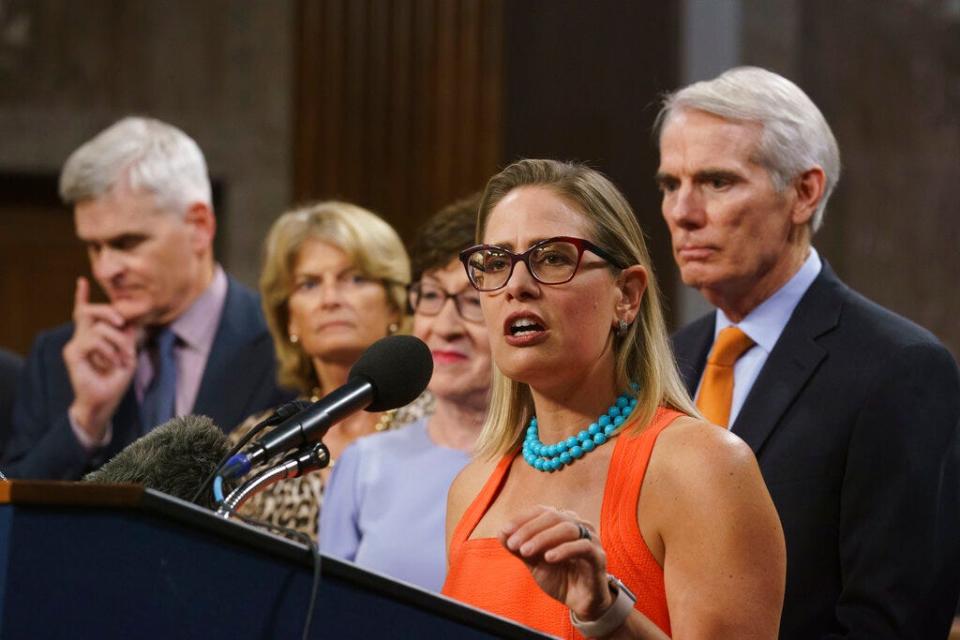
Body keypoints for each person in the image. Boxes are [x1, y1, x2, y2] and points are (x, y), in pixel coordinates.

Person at [658, 66, 960, 640]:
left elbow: (892, 623)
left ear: (804, 192)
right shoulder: (668, 361)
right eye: (671, 184)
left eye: (717, 182)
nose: (682, 212)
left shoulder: (899, 369)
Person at [442, 159, 785, 639]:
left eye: (553, 258)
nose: (517, 285)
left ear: (626, 295)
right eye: (496, 263)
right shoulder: (471, 489)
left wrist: (605, 613)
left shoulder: (702, 467)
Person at [2, 117, 292, 480]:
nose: (106, 269)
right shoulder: (55, 359)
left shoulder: (285, 341)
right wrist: (86, 421)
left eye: (127, 243)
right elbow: (13, 520)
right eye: (94, 247)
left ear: (200, 226)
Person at [320, 194, 491, 591]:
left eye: (473, 301)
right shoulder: (365, 464)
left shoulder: (550, 463)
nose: (445, 326)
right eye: (431, 296)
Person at [227, 200, 421, 539]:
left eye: (354, 279)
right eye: (309, 284)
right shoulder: (260, 441)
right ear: (289, 318)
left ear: (393, 304)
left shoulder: (440, 425)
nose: (330, 298)